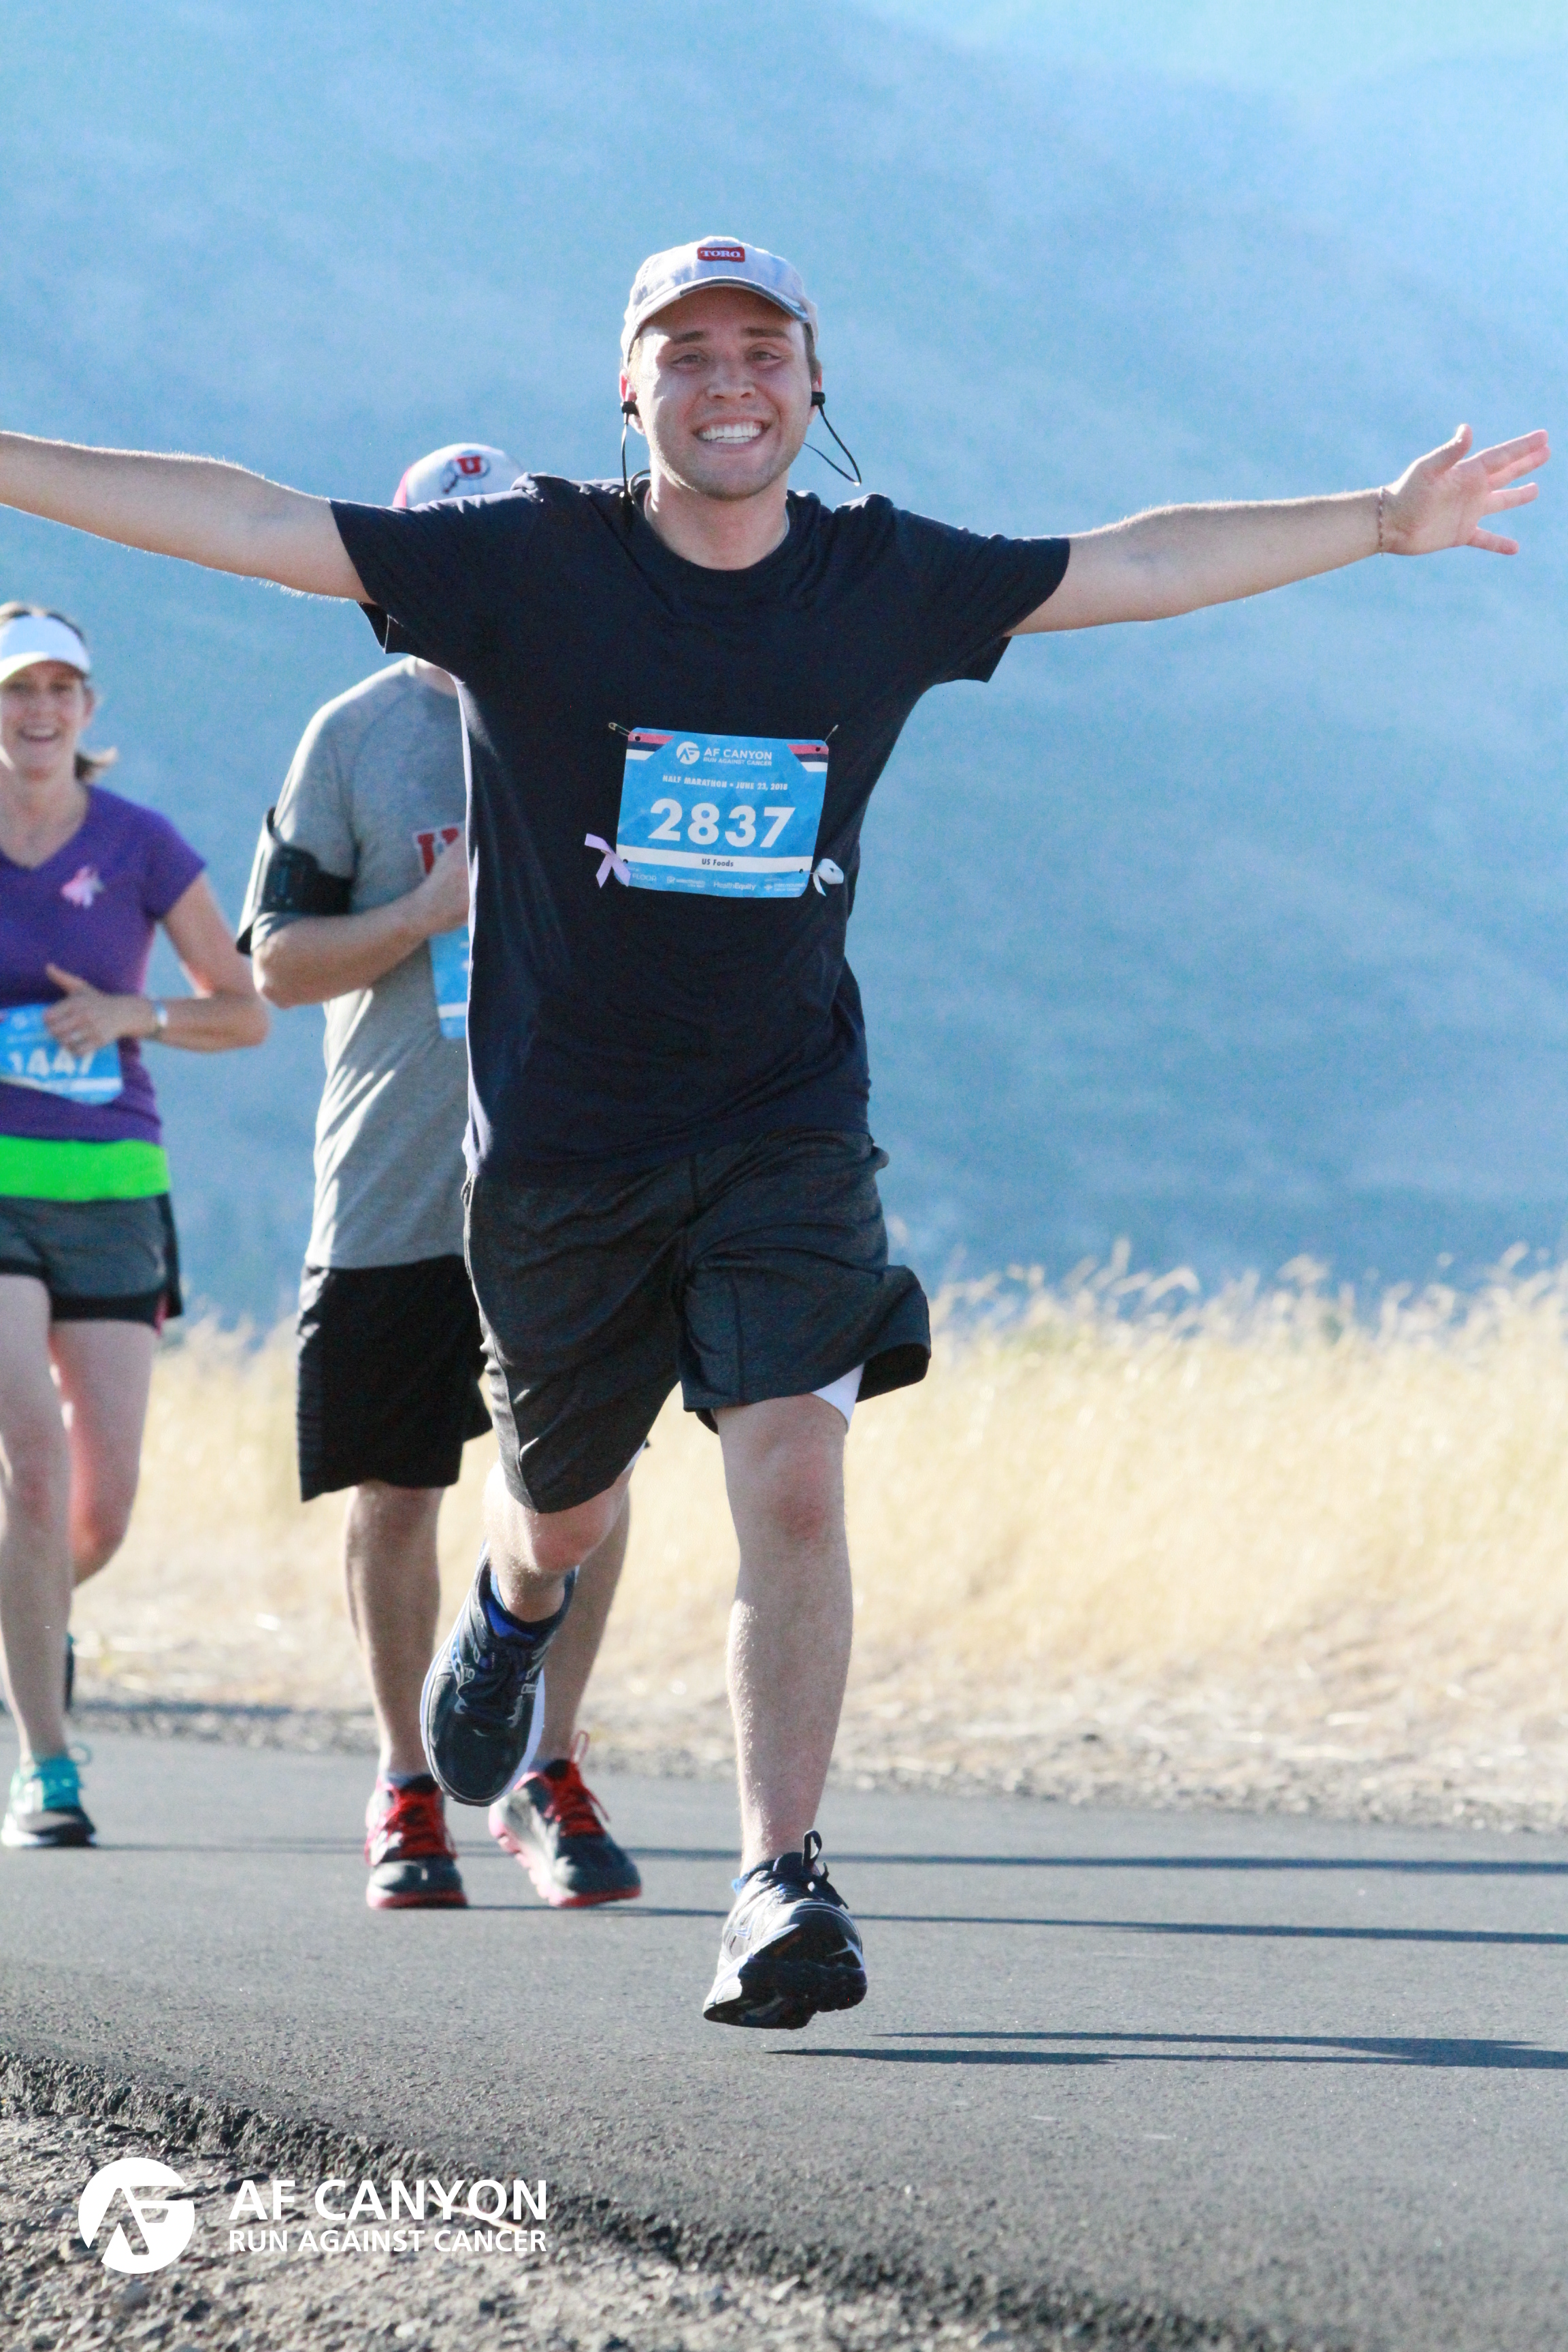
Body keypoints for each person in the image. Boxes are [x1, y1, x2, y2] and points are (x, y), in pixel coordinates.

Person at [0, 240, 1546, 2019]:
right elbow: (252, 519)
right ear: (629, 389)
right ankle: (508, 1616)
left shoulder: (881, 576)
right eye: (686, 351)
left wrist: (1379, 523)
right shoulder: (523, 562)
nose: (727, 381)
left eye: (761, 349)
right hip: (563, 1149)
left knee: (796, 1474)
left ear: (813, 385)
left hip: (786, 1118)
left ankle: (775, 1879)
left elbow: (1132, 562)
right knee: (564, 1515)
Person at [244, 443, 641, 1914]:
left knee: (584, 1484)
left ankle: (547, 1763)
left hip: (569, 1164)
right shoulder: (352, 736)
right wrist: (425, 909)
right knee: (399, 1486)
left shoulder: (597, 704)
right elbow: (277, 963)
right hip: (396, 1174)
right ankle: (407, 1779)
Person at [0, 602, 268, 1848]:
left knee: (98, 1514)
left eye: (60, 688)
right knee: (34, 1464)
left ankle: (28, 1615)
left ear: (89, 710)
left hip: (113, 1190)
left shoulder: (140, 842)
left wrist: (132, 1015)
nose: (38, 709)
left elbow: (244, 1010)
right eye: (17, 689)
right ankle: (48, 1767)